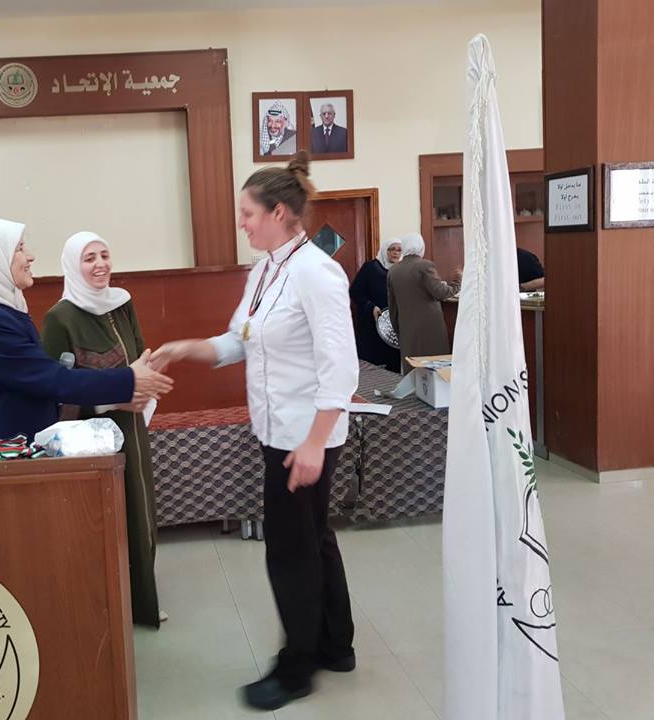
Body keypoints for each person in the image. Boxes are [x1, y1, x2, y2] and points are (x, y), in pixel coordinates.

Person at [152, 151, 358, 712]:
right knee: (314, 536)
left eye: (247, 213)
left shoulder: (316, 272)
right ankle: (336, 645)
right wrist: (185, 348)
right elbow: (238, 341)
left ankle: (297, 668)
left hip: (304, 437)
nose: (241, 223)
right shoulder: (265, 270)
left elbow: (341, 367)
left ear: (279, 213)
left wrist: (314, 442)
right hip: (277, 429)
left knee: (290, 550)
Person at [0, 218, 173, 457]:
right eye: (20, 249)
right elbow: (50, 379)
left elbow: (36, 383)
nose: (30, 256)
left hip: (4, 454)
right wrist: (129, 380)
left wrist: (119, 393)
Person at [41, 231, 163, 629]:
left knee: (140, 509)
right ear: (72, 266)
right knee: (106, 518)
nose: (99, 265)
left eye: (104, 255)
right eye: (89, 258)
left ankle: (142, 602)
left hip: (131, 426)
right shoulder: (60, 318)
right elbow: (56, 393)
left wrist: (144, 386)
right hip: (90, 436)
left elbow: (141, 358)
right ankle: (108, 606)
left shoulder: (122, 303)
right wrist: (114, 398)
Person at [386, 232, 461, 374]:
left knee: (413, 369)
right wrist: (457, 281)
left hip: (407, 329)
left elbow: (392, 305)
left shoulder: (393, 270)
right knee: (434, 369)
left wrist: (398, 328)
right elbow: (442, 293)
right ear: (421, 246)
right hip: (430, 328)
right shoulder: (424, 266)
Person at [349, 238, 402, 372]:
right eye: (392, 249)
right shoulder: (371, 268)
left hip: (392, 326)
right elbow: (355, 291)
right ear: (384, 250)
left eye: (399, 250)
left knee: (393, 365)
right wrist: (370, 307)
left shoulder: (401, 270)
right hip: (371, 322)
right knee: (372, 365)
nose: (396, 253)